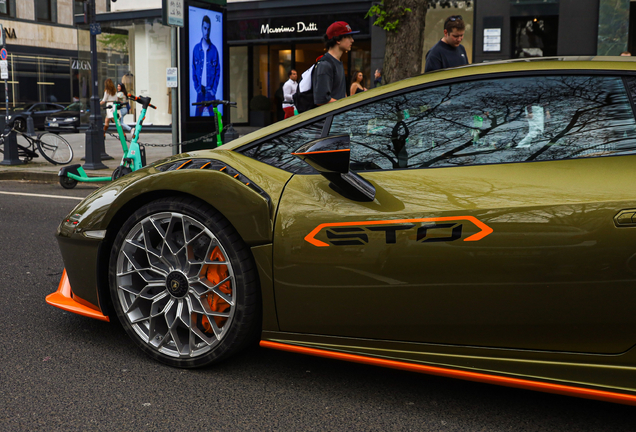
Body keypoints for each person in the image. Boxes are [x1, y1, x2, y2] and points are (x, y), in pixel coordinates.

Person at [313, 21, 359, 106]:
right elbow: (321, 100)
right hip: (330, 118)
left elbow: (341, 94)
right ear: (338, 40)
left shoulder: (338, 63)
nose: (352, 40)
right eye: (349, 37)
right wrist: (346, 105)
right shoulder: (325, 65)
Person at [192, 15, 220, 116]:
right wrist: (197, 88)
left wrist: (214, 90)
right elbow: (193, 70)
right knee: (196, 120)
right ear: (201, 28)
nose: (207, 32)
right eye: (205, 28)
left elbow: (218, 71)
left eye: (208, 29)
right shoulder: (196, 49)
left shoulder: (214, 50)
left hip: (210, 91)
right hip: (200, 91)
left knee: (215, 121)